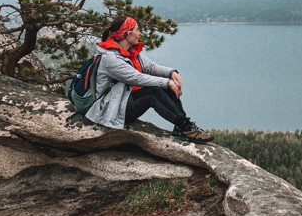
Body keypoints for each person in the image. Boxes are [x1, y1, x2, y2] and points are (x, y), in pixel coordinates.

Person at [85, 15, 214, 143]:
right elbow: (136, 78)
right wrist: (166, 82)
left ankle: (183, 125)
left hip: (125, 99)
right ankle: (186, 127)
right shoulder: (110, 58)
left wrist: (170, 73)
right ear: (127, 33)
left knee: (167, 87)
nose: (139, 33)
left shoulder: (129, 51)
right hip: (113, 108)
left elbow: (150, 67)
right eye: (136, 30)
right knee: (154, 92)